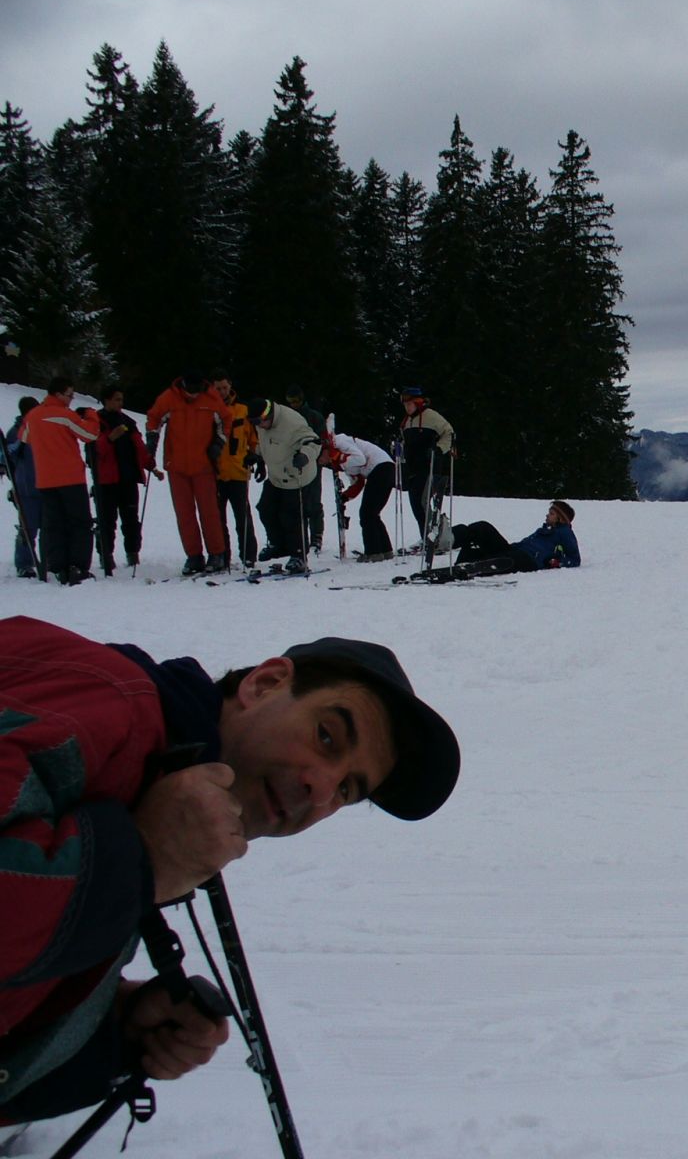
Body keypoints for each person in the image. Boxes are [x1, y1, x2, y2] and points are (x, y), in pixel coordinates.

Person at [0, 614, 460, 1125]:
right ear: (264, 684)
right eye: (327, 736)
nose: (323, 791)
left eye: (347, 790)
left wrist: (108, 1029)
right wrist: (142, 860)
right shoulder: (104, 698)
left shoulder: (155, 786)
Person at [146, 371, 230, 576]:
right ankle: (194, 556)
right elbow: (154, 417)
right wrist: (152, 440)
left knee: (209, 512)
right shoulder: (169, 398)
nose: (193, 395)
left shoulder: (211, 398)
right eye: (190, 391)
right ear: (183, 386)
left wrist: (218, 443)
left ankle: (217, 554)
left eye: (197, 391)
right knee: (184, 514)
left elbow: (226, 421)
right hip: (176, 465)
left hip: (203, 464)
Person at [19, 378, 100, 585]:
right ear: (58, 394)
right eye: (69, 395)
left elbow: (24, 437)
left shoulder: (33, 416)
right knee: (79, 523)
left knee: (54, 524)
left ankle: (58, 567)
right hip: (70, 477)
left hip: (46, 479)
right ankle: (78, 566)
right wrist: (91, 415)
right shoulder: (65, 415)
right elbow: (89, 434)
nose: (71, 399)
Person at [88, 387, 163, 576]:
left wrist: (151, 466)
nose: (120, 403)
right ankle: (106, 555)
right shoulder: (96, 422)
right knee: (107, 521)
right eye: (116, 399)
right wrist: (109, 439)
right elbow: (92, 453)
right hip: (106, 481)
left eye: (121, 399)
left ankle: (132, 553)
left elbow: (138, 447)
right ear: (106, 400)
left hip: (128, 478)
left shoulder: (128, 422)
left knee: (131, 520)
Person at [246, 398, 322, 573]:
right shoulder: (262, 423)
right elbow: (268, 444)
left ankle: (299, 555)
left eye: (258, 422)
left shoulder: (292, 422)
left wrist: (305, 455)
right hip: (276, 475)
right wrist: (256, 456)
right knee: (266, 509)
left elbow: (314, 442)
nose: (257, 426)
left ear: (267, 415)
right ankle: (278, 545)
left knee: (292, 516)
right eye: (253, 422)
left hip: (296, 475)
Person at [448, 500, 581, 576]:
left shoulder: (565, 532)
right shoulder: (544, 530)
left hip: (529, 560)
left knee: (500, 559)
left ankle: (470, 566)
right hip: (515, 551)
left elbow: (574, 559)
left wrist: (556, 562)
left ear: (560, 518)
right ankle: (448, 537)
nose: (547, 515)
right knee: (482, 527)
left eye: (551, 514)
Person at [321, 431, 397, 561]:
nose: (322, 463)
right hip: (383, 469)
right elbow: (358, 482)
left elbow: (360, 459)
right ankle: (385, 550)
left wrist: (338, 456)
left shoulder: (339, 442)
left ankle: (373, 553)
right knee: (372, 513)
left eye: (320, 459)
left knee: (367, 514)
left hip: (380, 467)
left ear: (323, 450)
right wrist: (345, 497)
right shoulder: (338, 459)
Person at [397, 387, 455, 552]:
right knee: (416, 502)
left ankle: (431, 537)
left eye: (410, 404)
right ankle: (427, 537)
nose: (407, 407)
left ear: (418, 403)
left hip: (429, 467)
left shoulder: (431, 416)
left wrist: (439, 449)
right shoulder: (407, 421)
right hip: (413, 468)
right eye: (405, 404)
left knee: (421, 501)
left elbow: (449, 433)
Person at [211, 372, 259, 568]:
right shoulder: (209, 410)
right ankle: (222, 556)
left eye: (224, 387)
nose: (222, 391)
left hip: (238, 470)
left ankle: (249, 555)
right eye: (218, 388)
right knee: (217, 519)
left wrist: (254, 454)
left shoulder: (243, 410)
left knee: (243, 517)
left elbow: (253, 438)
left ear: (230, 386)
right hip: (215, 473)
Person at [283, 386, 327, 553]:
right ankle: (300, 537)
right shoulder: (286, 417)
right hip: (293, 463)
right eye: (290, 402)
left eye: (296, 401)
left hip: (312, 461)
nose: (293, 405)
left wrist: (323, 453)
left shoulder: (314, 416)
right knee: (296, 502)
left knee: (313, 500)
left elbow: (322, 438)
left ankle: (316, 536)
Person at [4, 396, 41, 578]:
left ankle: (49, 558)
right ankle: (24, 562)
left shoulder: (41, 428)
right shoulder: (16, 432)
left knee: (48, 525)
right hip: (26, 486)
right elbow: (7, 456)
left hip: (45, 483)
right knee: (28, 526)